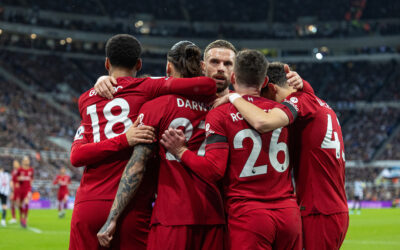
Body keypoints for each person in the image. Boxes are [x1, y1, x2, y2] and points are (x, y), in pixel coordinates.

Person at [69, 34, 217, 250]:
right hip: (133, 204)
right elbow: (206, 85)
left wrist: (101, 79)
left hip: (88, 202)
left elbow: (77, 156)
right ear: (139, 64)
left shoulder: (85, 99)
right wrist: (125, 139)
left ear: (107, 63)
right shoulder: (148, 88)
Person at [161, 50, 302, 250]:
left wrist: (181, 151)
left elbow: (213, 170)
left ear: (233, 77)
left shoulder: (220, 113)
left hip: (249, 215)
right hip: (289, 215)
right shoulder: (283, 112)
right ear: (264, 82)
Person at [215, 62, 349, 249]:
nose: (265, 104)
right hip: (330, 207)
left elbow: (264, 121)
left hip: (318, 210)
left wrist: (234, 97)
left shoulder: (299, 101)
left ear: (270, 87)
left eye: (264, 97)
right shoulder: (316, 101)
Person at [16, 156, 34, 228]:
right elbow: (16, 178)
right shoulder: (20, 169)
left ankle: (25, 219)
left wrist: (31, 188)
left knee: (26, 202)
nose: (27, 162)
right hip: (21, 189)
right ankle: (21, 217)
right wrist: (19, 178)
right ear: (23, 161)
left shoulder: (31, 170)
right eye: (25, 160)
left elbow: (32, 179)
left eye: (27, 160)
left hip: (27, 189)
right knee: (19, 205)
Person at [9, 159, 20, 224]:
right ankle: (14, 218)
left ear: (18, 164)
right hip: (13, 190)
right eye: (13, 163)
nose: (14, 164)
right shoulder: (13, 171)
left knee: (18, 204)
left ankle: (22, 217)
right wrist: (12, 189)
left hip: (19, 190)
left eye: (15, 163)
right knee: (12, 203)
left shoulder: (20, 170)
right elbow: (12, 180)